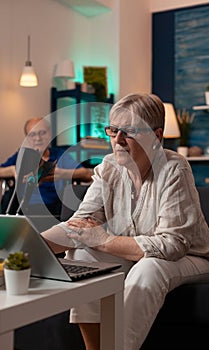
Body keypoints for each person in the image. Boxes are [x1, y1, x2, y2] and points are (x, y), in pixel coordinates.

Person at [40, 93, 209, 350]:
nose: (117, 140)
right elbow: (80, 224)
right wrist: (30, 245)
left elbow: (173, 245)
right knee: (84, 255)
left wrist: (104, 240)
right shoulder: (108, 166)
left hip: (194, 257)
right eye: (113, 130)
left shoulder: (175, 168)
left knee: (149, 268)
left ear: (156, 136)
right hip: (138, 251)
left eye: (128, 132)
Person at [0, 117, 92, 217]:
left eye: (42, 133)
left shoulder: (60, 155)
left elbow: (87, 175)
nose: (38, 138)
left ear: (50, 134)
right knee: (9, 197)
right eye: (32, 134)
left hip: (54, 208)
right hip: (23, 208)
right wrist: (12, 170)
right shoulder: (22, 155)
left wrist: (61, 174)